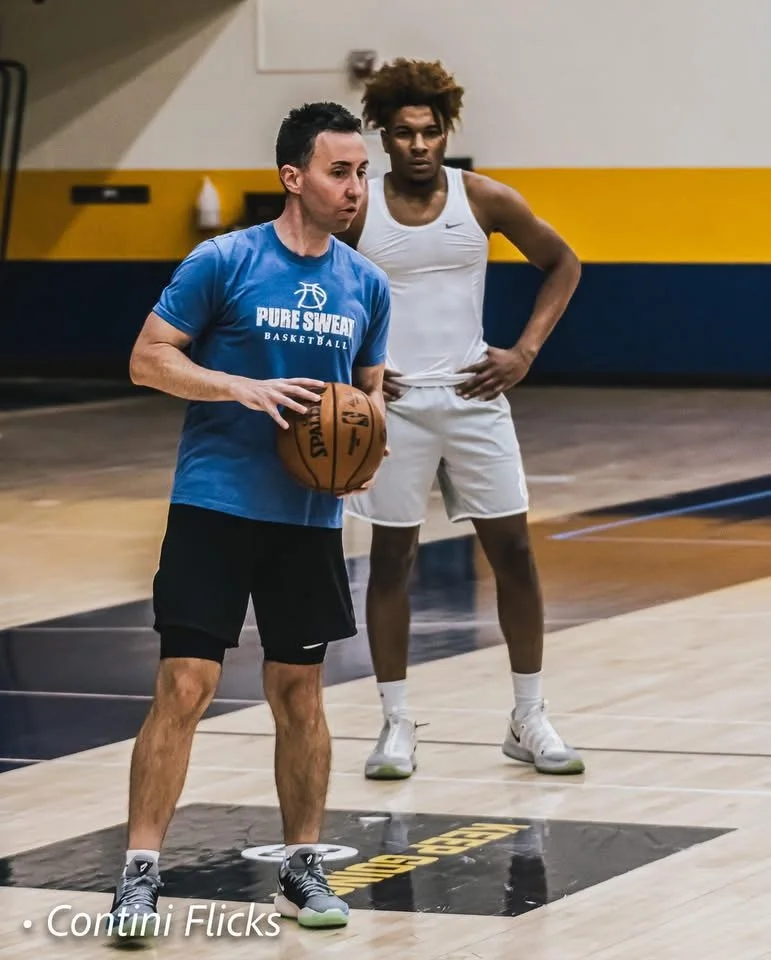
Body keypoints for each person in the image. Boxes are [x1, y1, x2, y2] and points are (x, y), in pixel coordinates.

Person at [108, 101, 390, 935]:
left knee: (299, 693)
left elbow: (368, 391)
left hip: (307, 519)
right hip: (215, 503)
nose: (354, 188)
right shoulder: (223, 261)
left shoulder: (366, 283)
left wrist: (367, 439)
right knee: (183, 687)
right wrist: (241, 387)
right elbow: (147, 357)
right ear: (292, 178)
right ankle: (138, 874)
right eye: (339, 172)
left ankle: (302, 868)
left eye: (361, 173)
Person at [340, 59, 585, 779]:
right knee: (390, 562)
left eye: (430, 131)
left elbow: (563, 263)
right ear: (383, 136)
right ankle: (394, 724)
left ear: (446, 133)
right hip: (396, 408)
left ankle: (528, 717)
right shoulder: (357, 211)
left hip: (476, 397)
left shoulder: (482, 199)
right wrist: (355, 370)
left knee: (513, 554)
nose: (418, 144)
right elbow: (314, 290)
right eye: (404, 132)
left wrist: (524, 352)